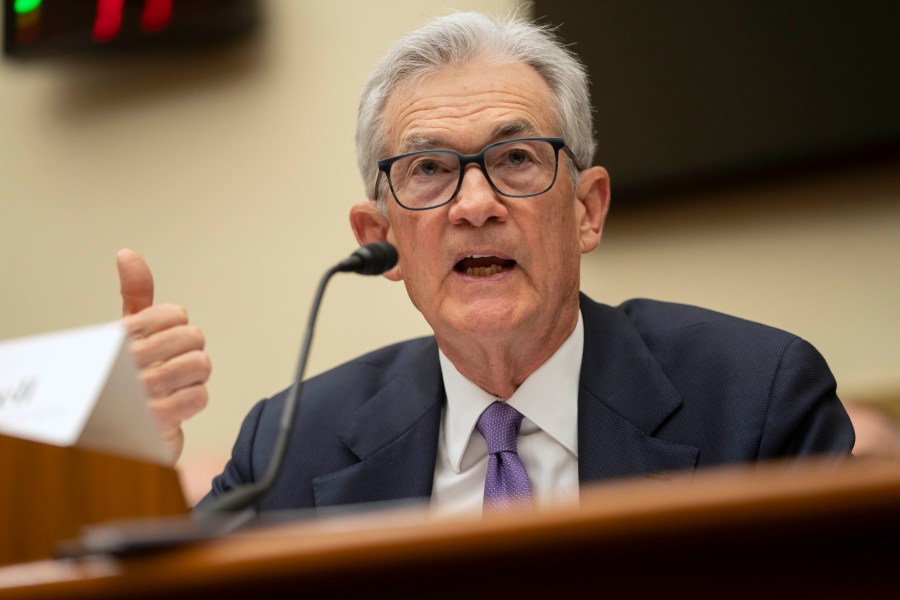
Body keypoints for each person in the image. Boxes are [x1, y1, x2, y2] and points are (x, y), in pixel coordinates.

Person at [118, 11, 854, 516]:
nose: (475, 204)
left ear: (587, 210)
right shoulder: (293, 444)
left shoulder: (757, 401)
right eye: (430, 168)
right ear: (383, 238)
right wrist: (130, 452)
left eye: (515, 158)